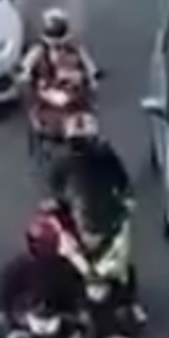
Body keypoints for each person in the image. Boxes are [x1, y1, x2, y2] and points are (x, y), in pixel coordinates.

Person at [46, 119, 144, 324]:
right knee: (61, 261)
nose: (80, 146)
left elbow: (123, 183)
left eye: (84, 141)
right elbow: (54, 193)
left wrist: (127, 202)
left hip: (109, 223)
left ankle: (130, 302)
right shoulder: (62, 163)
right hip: (80, 225)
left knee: (123, 268)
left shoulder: (105, 158)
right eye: (76, 142)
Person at [20, 7, 99, 97]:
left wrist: (93, 74)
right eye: (52, 25)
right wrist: (25, 72)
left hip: (71, 85)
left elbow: (86, 60)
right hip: (48, 84)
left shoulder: (74, 45)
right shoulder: (40, 47)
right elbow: (29, 60)